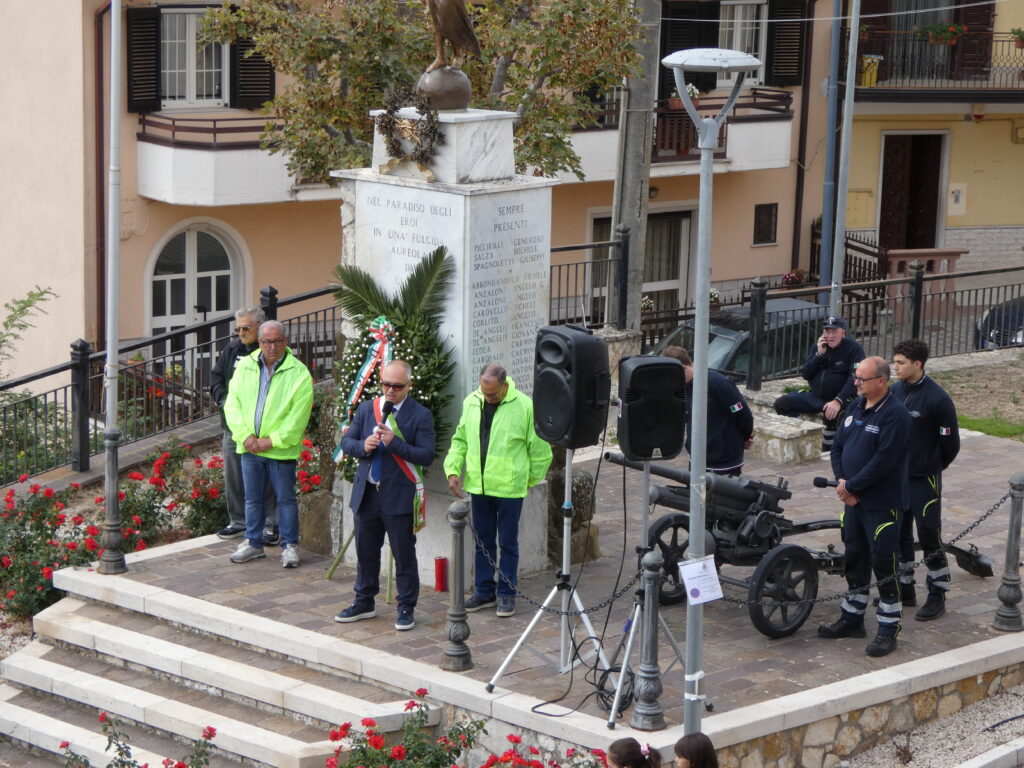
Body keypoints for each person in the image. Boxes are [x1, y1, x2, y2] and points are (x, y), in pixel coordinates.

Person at [819, 356, 912, 657]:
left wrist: (852, 487)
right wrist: (843, 484)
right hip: (853, 501)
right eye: (856, 377)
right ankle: (852, 617)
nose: (855, 383)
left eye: (862, 379)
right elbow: (838, 448)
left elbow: (883, 462)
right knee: (855, 557)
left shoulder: (895, 415)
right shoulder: (856, 406)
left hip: (882, 504)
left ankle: (889, 627)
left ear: (881, 381)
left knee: (883, 562)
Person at [444, 363, 552, 618]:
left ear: (504, 385)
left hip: (509, 489)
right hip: (480, 486)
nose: (487, 397)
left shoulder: (525, 405)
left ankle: (506, 593)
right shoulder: (472, 401)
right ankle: (484, 591)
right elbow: (460, 439)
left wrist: (526, 480)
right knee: (482, 541)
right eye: (484, 391)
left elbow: (540, 450)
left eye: (492, 393)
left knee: (508, 543)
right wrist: (452, 470)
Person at [335, 360, 435, 631]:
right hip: (367, 493)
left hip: (398, 496)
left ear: (408, 386)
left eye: (397, 386)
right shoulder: (369, 409)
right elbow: (346, 441)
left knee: (403, 554)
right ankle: (364, 600)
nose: (390, 391)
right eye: (386, 384)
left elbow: (426, 455)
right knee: (366, 552)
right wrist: (362, 446)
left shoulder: (420, 415)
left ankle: (406, 606)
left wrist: (395, 442)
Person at [223, 320, 314, 569]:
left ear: (285, 341)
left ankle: (290, 546)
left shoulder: (299, 373)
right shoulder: (245, 366)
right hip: (250, 446)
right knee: (252, 498)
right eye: (266, 341)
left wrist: (271, 441)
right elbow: (232, 405)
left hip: (280, 449)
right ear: (259, 342)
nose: (271, 347)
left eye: (276, 341)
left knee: (285, 499)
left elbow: (298, 417)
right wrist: (245, 437)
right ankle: (253, 543)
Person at [890, 339, 960, 621]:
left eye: (900, 363)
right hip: (898, 478)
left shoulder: (938, 399)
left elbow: (950, 444)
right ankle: (905, 588)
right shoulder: (894, 391)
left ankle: (937, 593)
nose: (895, 367)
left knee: (929, 534)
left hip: (925, 479)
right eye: (894, 362)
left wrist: (932, 465)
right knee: (900, 534)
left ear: (917, 364)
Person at [209, 307, 279, 544]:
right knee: (234, 476)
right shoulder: (231, 349)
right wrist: (223, 399)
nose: (240, 333)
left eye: (245, 328)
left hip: (262, 427)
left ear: (260, 326)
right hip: (233, 426)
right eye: (237, 328)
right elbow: (216, 378)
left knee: (268, 476)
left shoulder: (270, 351)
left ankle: (271, 524)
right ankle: (238, 522)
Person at [773, 316, 866, 452]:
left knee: (834, 414)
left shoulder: (854, 349)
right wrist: (818, 355)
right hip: (816, 397)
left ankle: (828, 450)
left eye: (834, 332)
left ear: (843, 332)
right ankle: (805, 429)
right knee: (782, 403)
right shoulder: (819, 347)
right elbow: (806, 374)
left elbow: (855, 377)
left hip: (843, 398)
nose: (830, 336)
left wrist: (838, 400)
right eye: (827, 332)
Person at [662, 346, 754, 476]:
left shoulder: (716, 382)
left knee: (723, 496)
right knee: (695, 495)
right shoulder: (680, 389)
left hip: (724, 461)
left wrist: (745, 438)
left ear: (683, 368)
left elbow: (743, 415)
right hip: (697, 458)